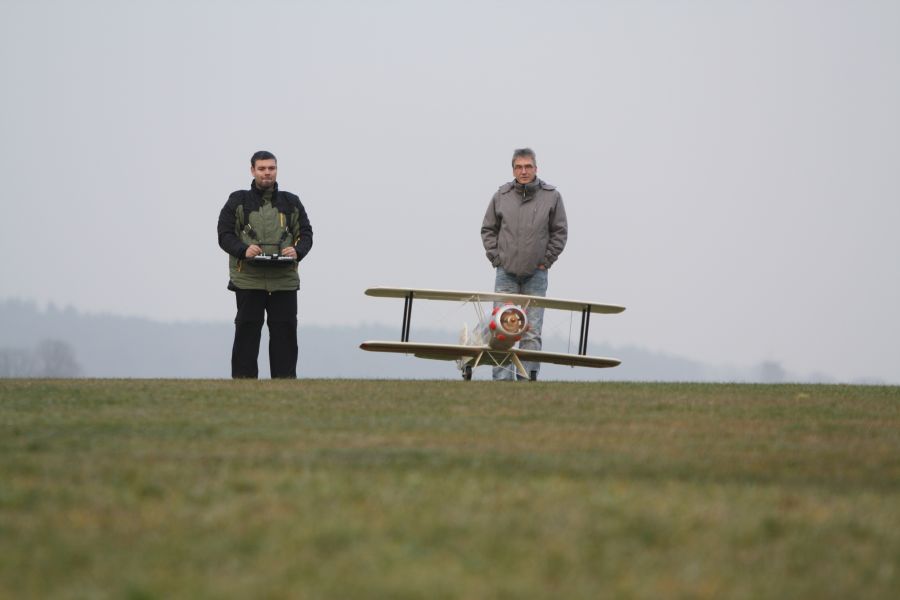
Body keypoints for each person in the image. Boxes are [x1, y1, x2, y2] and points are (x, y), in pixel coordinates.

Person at [217, 151, 313, 378]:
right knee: (247, 331)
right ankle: (243, 383)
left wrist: (297, 251)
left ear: (276, 170)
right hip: (248, 279)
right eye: (262, 168)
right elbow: (224, 234)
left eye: (271, 168)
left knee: (285, 332)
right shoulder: (238, 200)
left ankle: (285, 383)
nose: (267, 173)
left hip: (284, 280)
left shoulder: (292, 202)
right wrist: (243, 250)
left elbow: (306, 234)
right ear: (252, 171)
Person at [481, 148, 567, 381]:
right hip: (506, 274)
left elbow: (560, 232)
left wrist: (546, 261)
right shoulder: (501, 196)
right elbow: (488, 229)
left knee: (532, 331)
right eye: (519, 167)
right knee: (502, 329)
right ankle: (502, 381)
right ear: (513, 170)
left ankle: (527, 380)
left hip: (536, 275)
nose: (524, 171)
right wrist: (496, 259)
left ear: (536, 168)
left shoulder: (552, 196)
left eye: (528, 166)